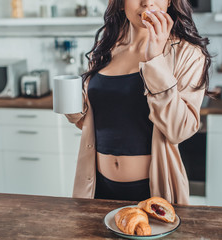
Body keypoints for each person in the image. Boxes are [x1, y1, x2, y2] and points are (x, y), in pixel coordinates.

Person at [65, 0, 212, 204]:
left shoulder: (189, 54)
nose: (147, 2)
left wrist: (155, 59)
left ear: (169, 1)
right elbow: (92, 123)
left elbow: (179, 130)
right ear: (120, 3)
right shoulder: (105, 49)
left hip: (153, 193)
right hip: (96, 190)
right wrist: (73, 108)